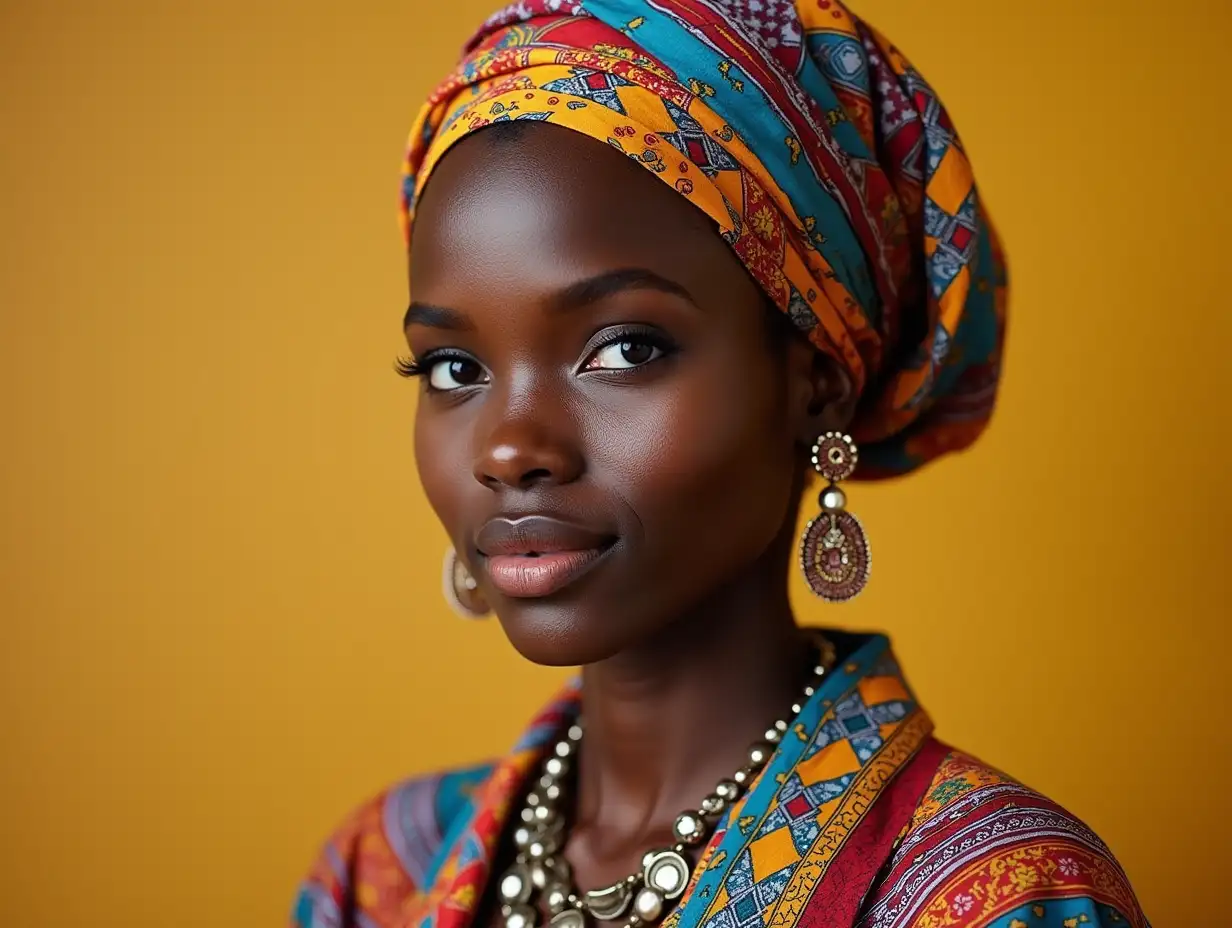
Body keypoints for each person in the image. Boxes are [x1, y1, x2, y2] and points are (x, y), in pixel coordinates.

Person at [291, 2, 1148, 927]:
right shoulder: (377, 875)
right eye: (455, 370)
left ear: (814, 381)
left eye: (625, 349)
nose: (509, 448)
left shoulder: (997, 900)